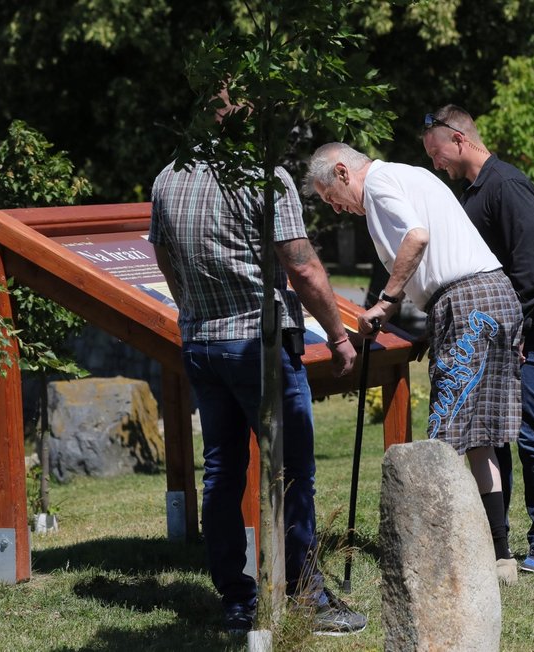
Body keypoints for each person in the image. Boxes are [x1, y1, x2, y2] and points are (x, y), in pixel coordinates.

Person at [149, 98, 368, 635]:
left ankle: (236, 600)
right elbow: (304, 269)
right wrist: (340, 336)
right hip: (258, 345)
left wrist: (193, 311)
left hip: (201, 342)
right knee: (293, 469)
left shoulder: (167, 179)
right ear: (250, 123)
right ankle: (307, 596)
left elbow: (163, 258)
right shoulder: (265, 180)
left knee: (223, 471)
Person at [304, 142, 523, 585]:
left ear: (344, 173)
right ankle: (499, 556)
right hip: (488, 295)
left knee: (445, 437)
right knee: (478, 435)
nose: (340, 210)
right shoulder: (408, 176)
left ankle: (443, 550)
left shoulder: (382, 183)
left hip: (468, 303)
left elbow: (417, 237)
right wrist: (431, 326)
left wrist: (386, 301)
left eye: (333, 198)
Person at [422, 105, 534, 574]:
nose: (435, 163)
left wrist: (518, 332)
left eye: (436, 153)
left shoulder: (507, 186)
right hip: (486, 331)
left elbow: (530, 268)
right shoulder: (471, 193)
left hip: (515, 331)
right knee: (491, 432)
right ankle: (495, 537)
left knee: (525, 431)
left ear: (459, 139)